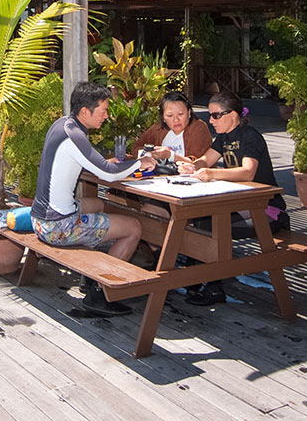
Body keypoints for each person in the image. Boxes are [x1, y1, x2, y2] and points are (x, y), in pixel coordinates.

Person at [30, 81, 159, 317]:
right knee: (133, 227)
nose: (107, 116)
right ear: (84, 112)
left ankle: (89, 277)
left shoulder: (62, 125)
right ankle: (99, 294)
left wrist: (107, 164)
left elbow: (94, 163)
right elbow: (108, 173)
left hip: (39, 218)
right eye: (103, 111)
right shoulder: (74, 136)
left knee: (100, 204)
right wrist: (141, 162)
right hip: (56, 227)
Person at [178, 91, 290, 306]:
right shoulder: (224, 138)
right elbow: (206, 159)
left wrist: (211, 174)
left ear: (234, 114)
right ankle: (197, 278)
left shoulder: (250, 136)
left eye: (215, 115)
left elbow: (247, 172)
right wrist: (194, 166)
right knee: (201, 220)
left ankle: (211, 286)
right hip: (241, 206)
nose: (211, 120)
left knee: (211, 227)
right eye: (210, 116)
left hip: (267, 211)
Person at [132, 90, 212, 164]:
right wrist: (150, 153)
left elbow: (199, 163)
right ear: (163, 118)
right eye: (170, 115)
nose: (176, 120)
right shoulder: (158, 129)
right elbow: (136, 147)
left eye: (180, 114)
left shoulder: (198, 128)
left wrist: (170, 155)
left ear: (189, 113)